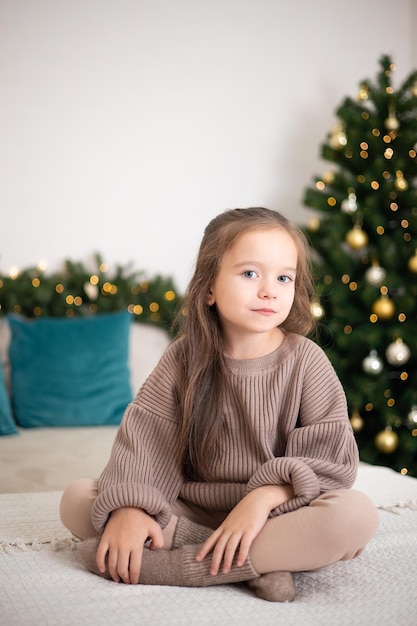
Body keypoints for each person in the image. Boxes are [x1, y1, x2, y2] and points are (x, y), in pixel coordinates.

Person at [60, 207, 379, 602]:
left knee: (354, 516)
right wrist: (131, 509)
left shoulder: (306, 360)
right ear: (209, 287)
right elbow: (147, 439)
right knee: (77, 500)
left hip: (277, 511)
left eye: (284, 277)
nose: (269, 290)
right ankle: (256, 559)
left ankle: (177, 566)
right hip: (190, 507)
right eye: (250, 274)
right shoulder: (183, 358)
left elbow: (328, 456)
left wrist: (264, 496)